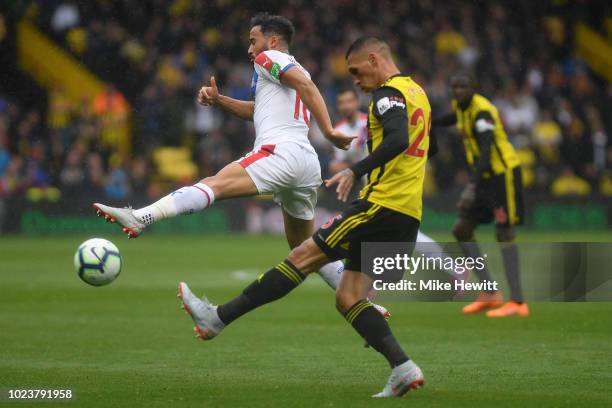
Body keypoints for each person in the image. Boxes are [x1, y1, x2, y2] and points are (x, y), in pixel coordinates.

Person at [178, 37, 430, 398]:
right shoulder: (418, 93)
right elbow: (420, 144)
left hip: (379, 206)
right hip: (408, 212)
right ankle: (403, 368)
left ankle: (216, 318)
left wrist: (354, 170)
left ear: (374, 60)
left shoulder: (387, 95)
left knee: (301, 257)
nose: (356, 82)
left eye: (357, 73)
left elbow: (398, 138)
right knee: (349, 297)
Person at [93, 13, 360, 293]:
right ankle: (360, 298)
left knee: (213, 185)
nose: (249, 49)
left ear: (271, 41)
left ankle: (141, 217)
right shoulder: (295, 68)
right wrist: (219, 100)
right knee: (305, 247)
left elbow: (307, 88)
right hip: (305, 162)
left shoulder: (266, 58)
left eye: (253, 41)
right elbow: (259, 110)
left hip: (281, 152)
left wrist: (328, 131)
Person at [432, 72, 528, 317]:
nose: (458, 91)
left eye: (463, 86)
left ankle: (517, 302)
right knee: (462, 230)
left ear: (474, 88)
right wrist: (428, 120)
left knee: (504, 231)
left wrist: (472, 186)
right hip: (484, 179)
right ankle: (490, 292)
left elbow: (486, 151)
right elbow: (452, 117)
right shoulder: (461, 107)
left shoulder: (482, 112)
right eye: (454, 86)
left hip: (501, 176)